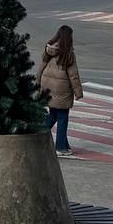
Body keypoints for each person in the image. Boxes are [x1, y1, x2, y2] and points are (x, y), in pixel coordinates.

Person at [39, 25, 83, 157]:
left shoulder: (49, 48)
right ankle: (60, 147)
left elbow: (41, 67)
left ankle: (40, 136)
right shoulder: (67, 53)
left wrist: (38, 84)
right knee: (63, 117)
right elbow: (73, 75)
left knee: (53, 114)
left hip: (47, 86)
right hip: (61, 89)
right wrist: (78, 92)